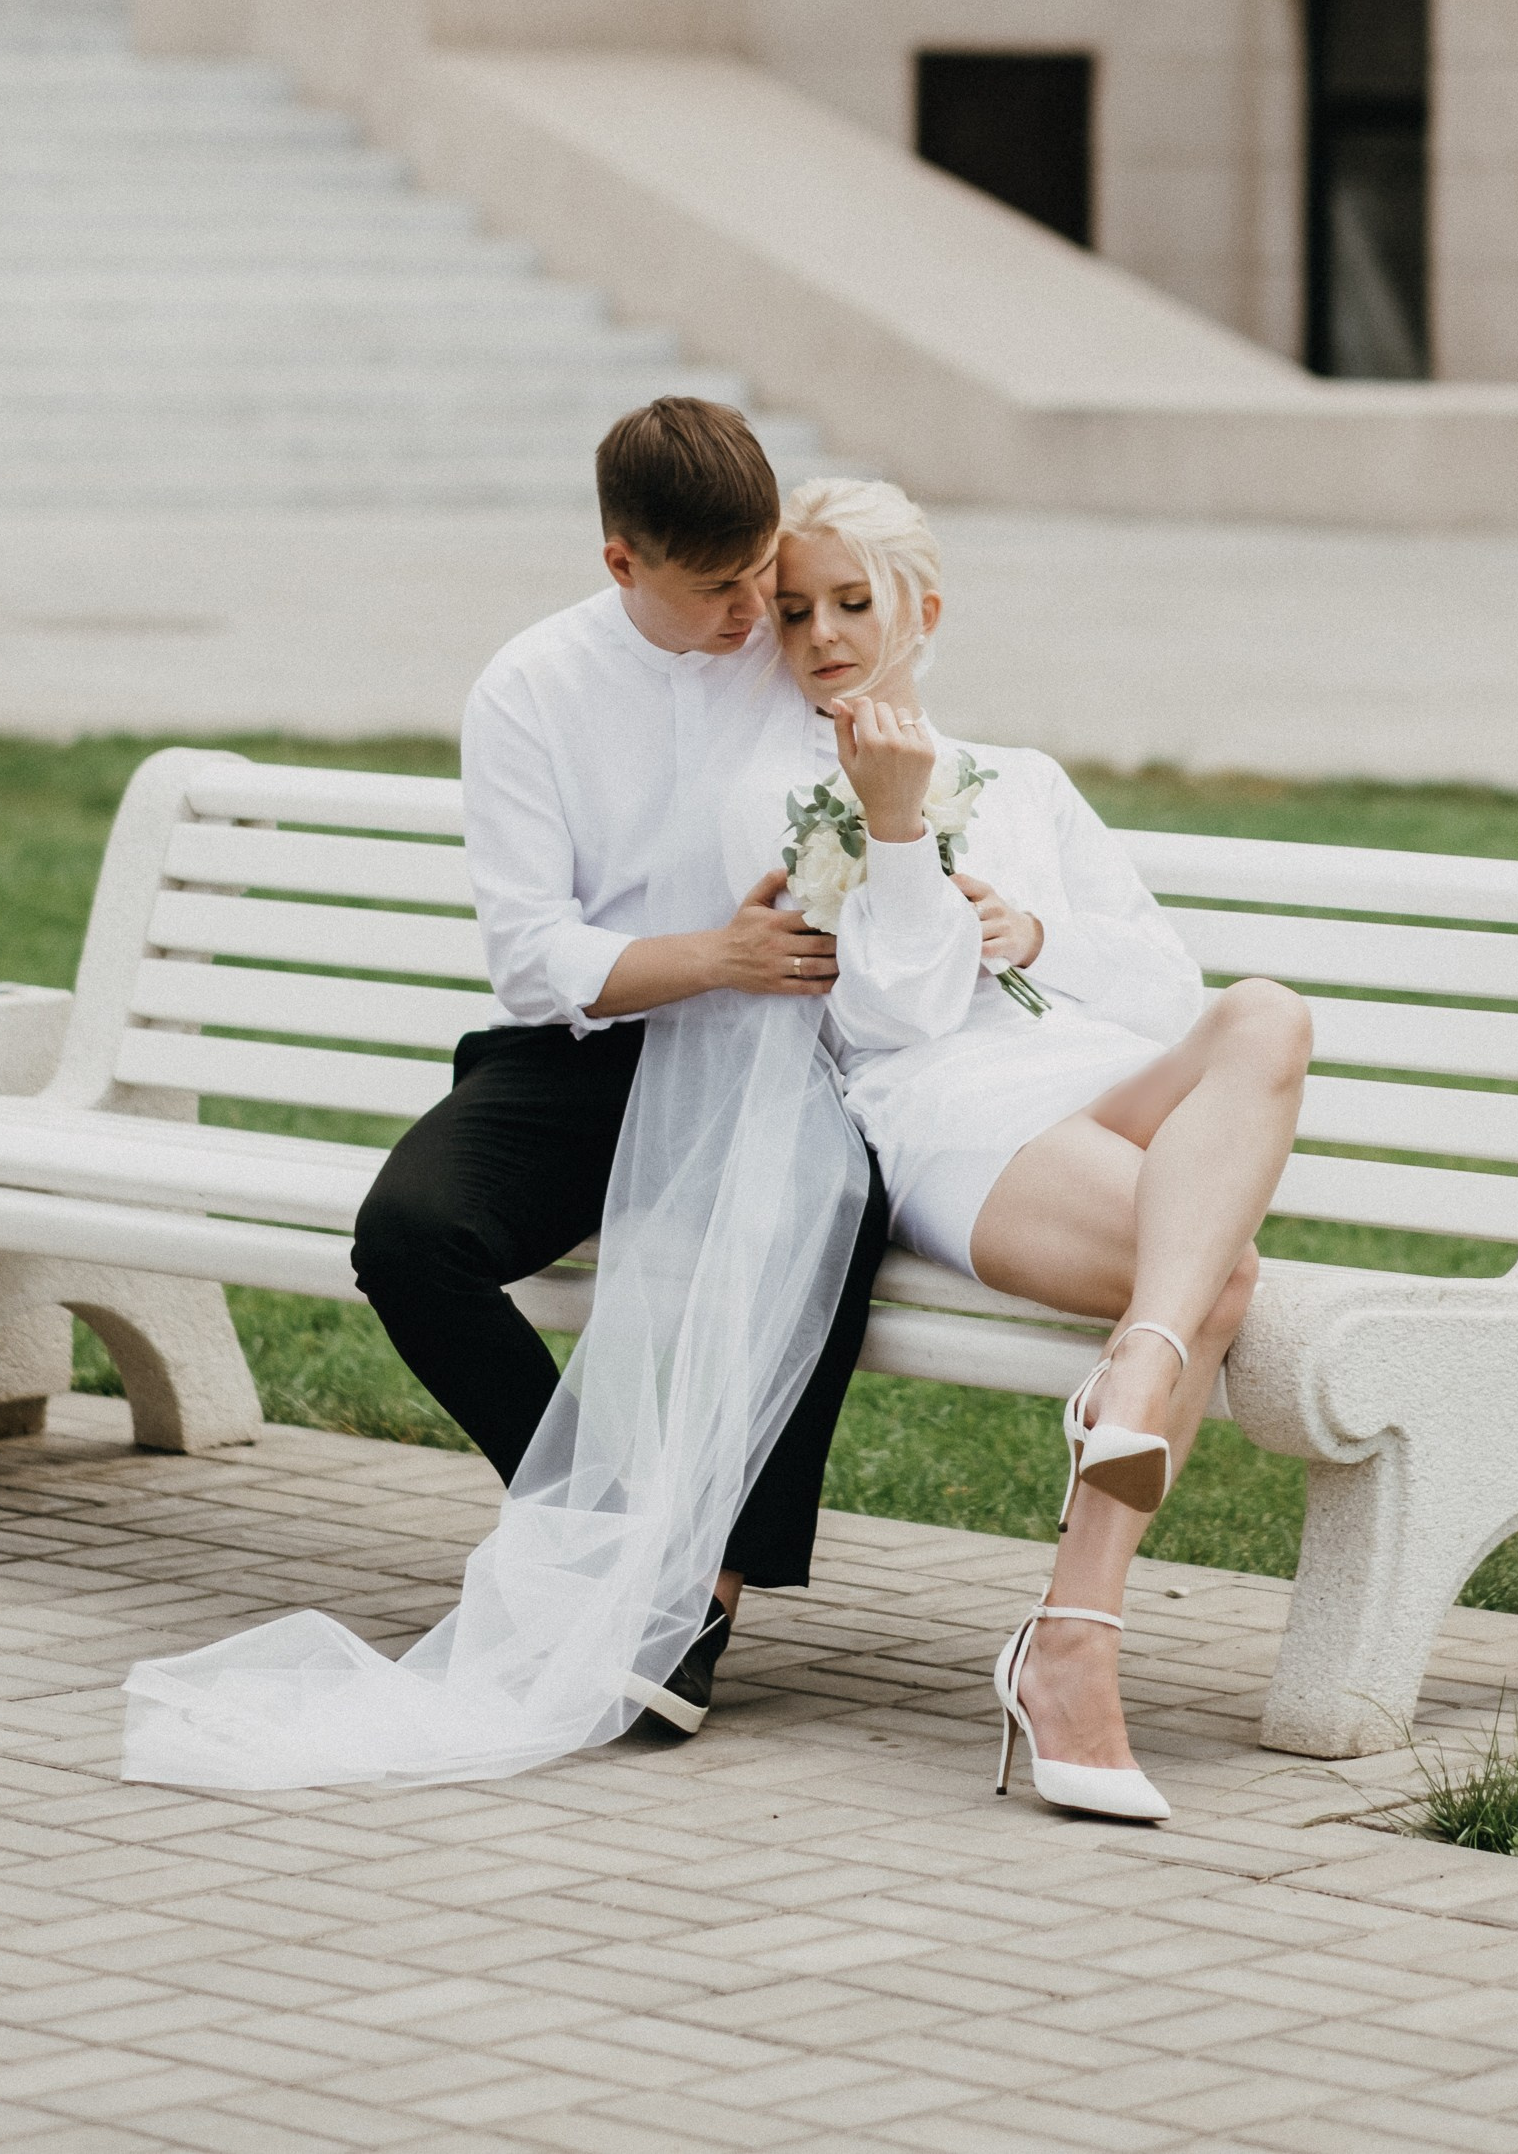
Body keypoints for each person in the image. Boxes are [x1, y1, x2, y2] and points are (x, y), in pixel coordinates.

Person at [722, 474, 1310, 1826]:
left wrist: (1037, 936)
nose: (820, 636)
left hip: (1101, 1079)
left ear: (923, 610)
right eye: (793, 611)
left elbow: (1171, 989)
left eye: (853, 604)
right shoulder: (779, 796)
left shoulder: (1025, 784)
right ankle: (1069, 1648)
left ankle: (1134, 1368)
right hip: (945, 1111)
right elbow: (890, 1020)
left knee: (1267, 1014)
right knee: (1215, 1278)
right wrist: (895, 833)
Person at [349, 398, 894, 1735]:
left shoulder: (792, 647)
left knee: (832, 1210)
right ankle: (594, 1536)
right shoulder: (530, 689)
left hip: (775, 1054)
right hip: (584, 1050)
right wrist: (715, 955)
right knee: (408, 1236)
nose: (747, 615)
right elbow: (532, 956)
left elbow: (899, 792)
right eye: (715, 589)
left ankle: (700, 1582)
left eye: (759, 576)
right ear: (619, 564)